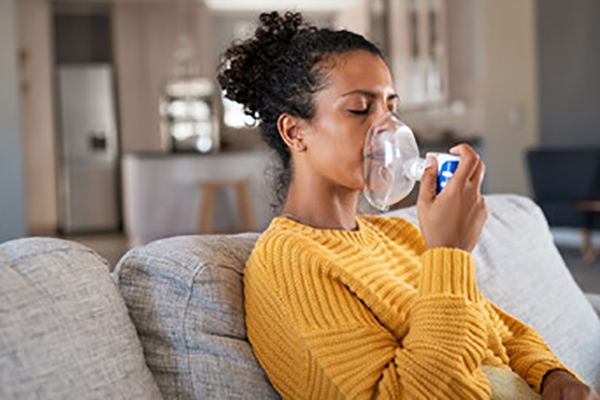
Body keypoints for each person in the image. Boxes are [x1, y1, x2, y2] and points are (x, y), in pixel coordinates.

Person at [217, 11, 598, 400]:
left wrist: (552, 376)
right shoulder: (289, 261)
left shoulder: (400, 234)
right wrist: (449, 252)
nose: (386, 128)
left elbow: (501, 332)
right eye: (360, 109)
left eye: (390, 108)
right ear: (294, 131)